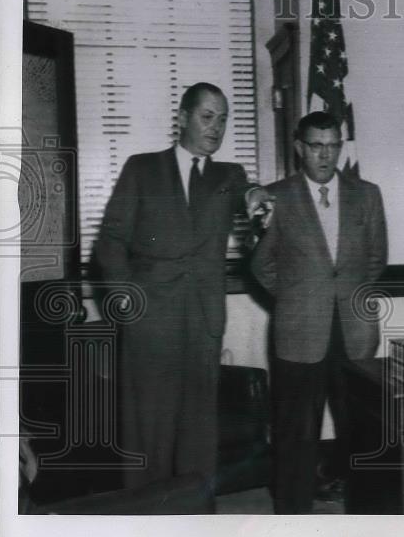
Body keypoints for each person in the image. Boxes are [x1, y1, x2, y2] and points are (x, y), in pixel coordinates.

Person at [94, 82, 270, 499]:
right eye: (208, 117)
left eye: (224, 119)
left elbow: (248, 194)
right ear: (183, 118)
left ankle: (197, 528)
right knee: (148, 437)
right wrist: (123, 296)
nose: (217, 127)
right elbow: (110, 240)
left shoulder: (229, 176)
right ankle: (145, 532)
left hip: (203, 323)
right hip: (150, 321)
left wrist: (258, 196)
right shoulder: (142, 168)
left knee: (198, 438)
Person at [251, 110, 387, 514]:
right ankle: (291, 523)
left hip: (355, 332)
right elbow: (261, 266)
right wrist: (298, 296)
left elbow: (377, 259)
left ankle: (367, 524)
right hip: (299, 333)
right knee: (296, 435)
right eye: (316, 146)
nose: (325, 155)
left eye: (332, 145)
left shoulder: (367, 194)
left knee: (361, 432)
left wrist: (341, 294)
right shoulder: (277, 197)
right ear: (299, 149)